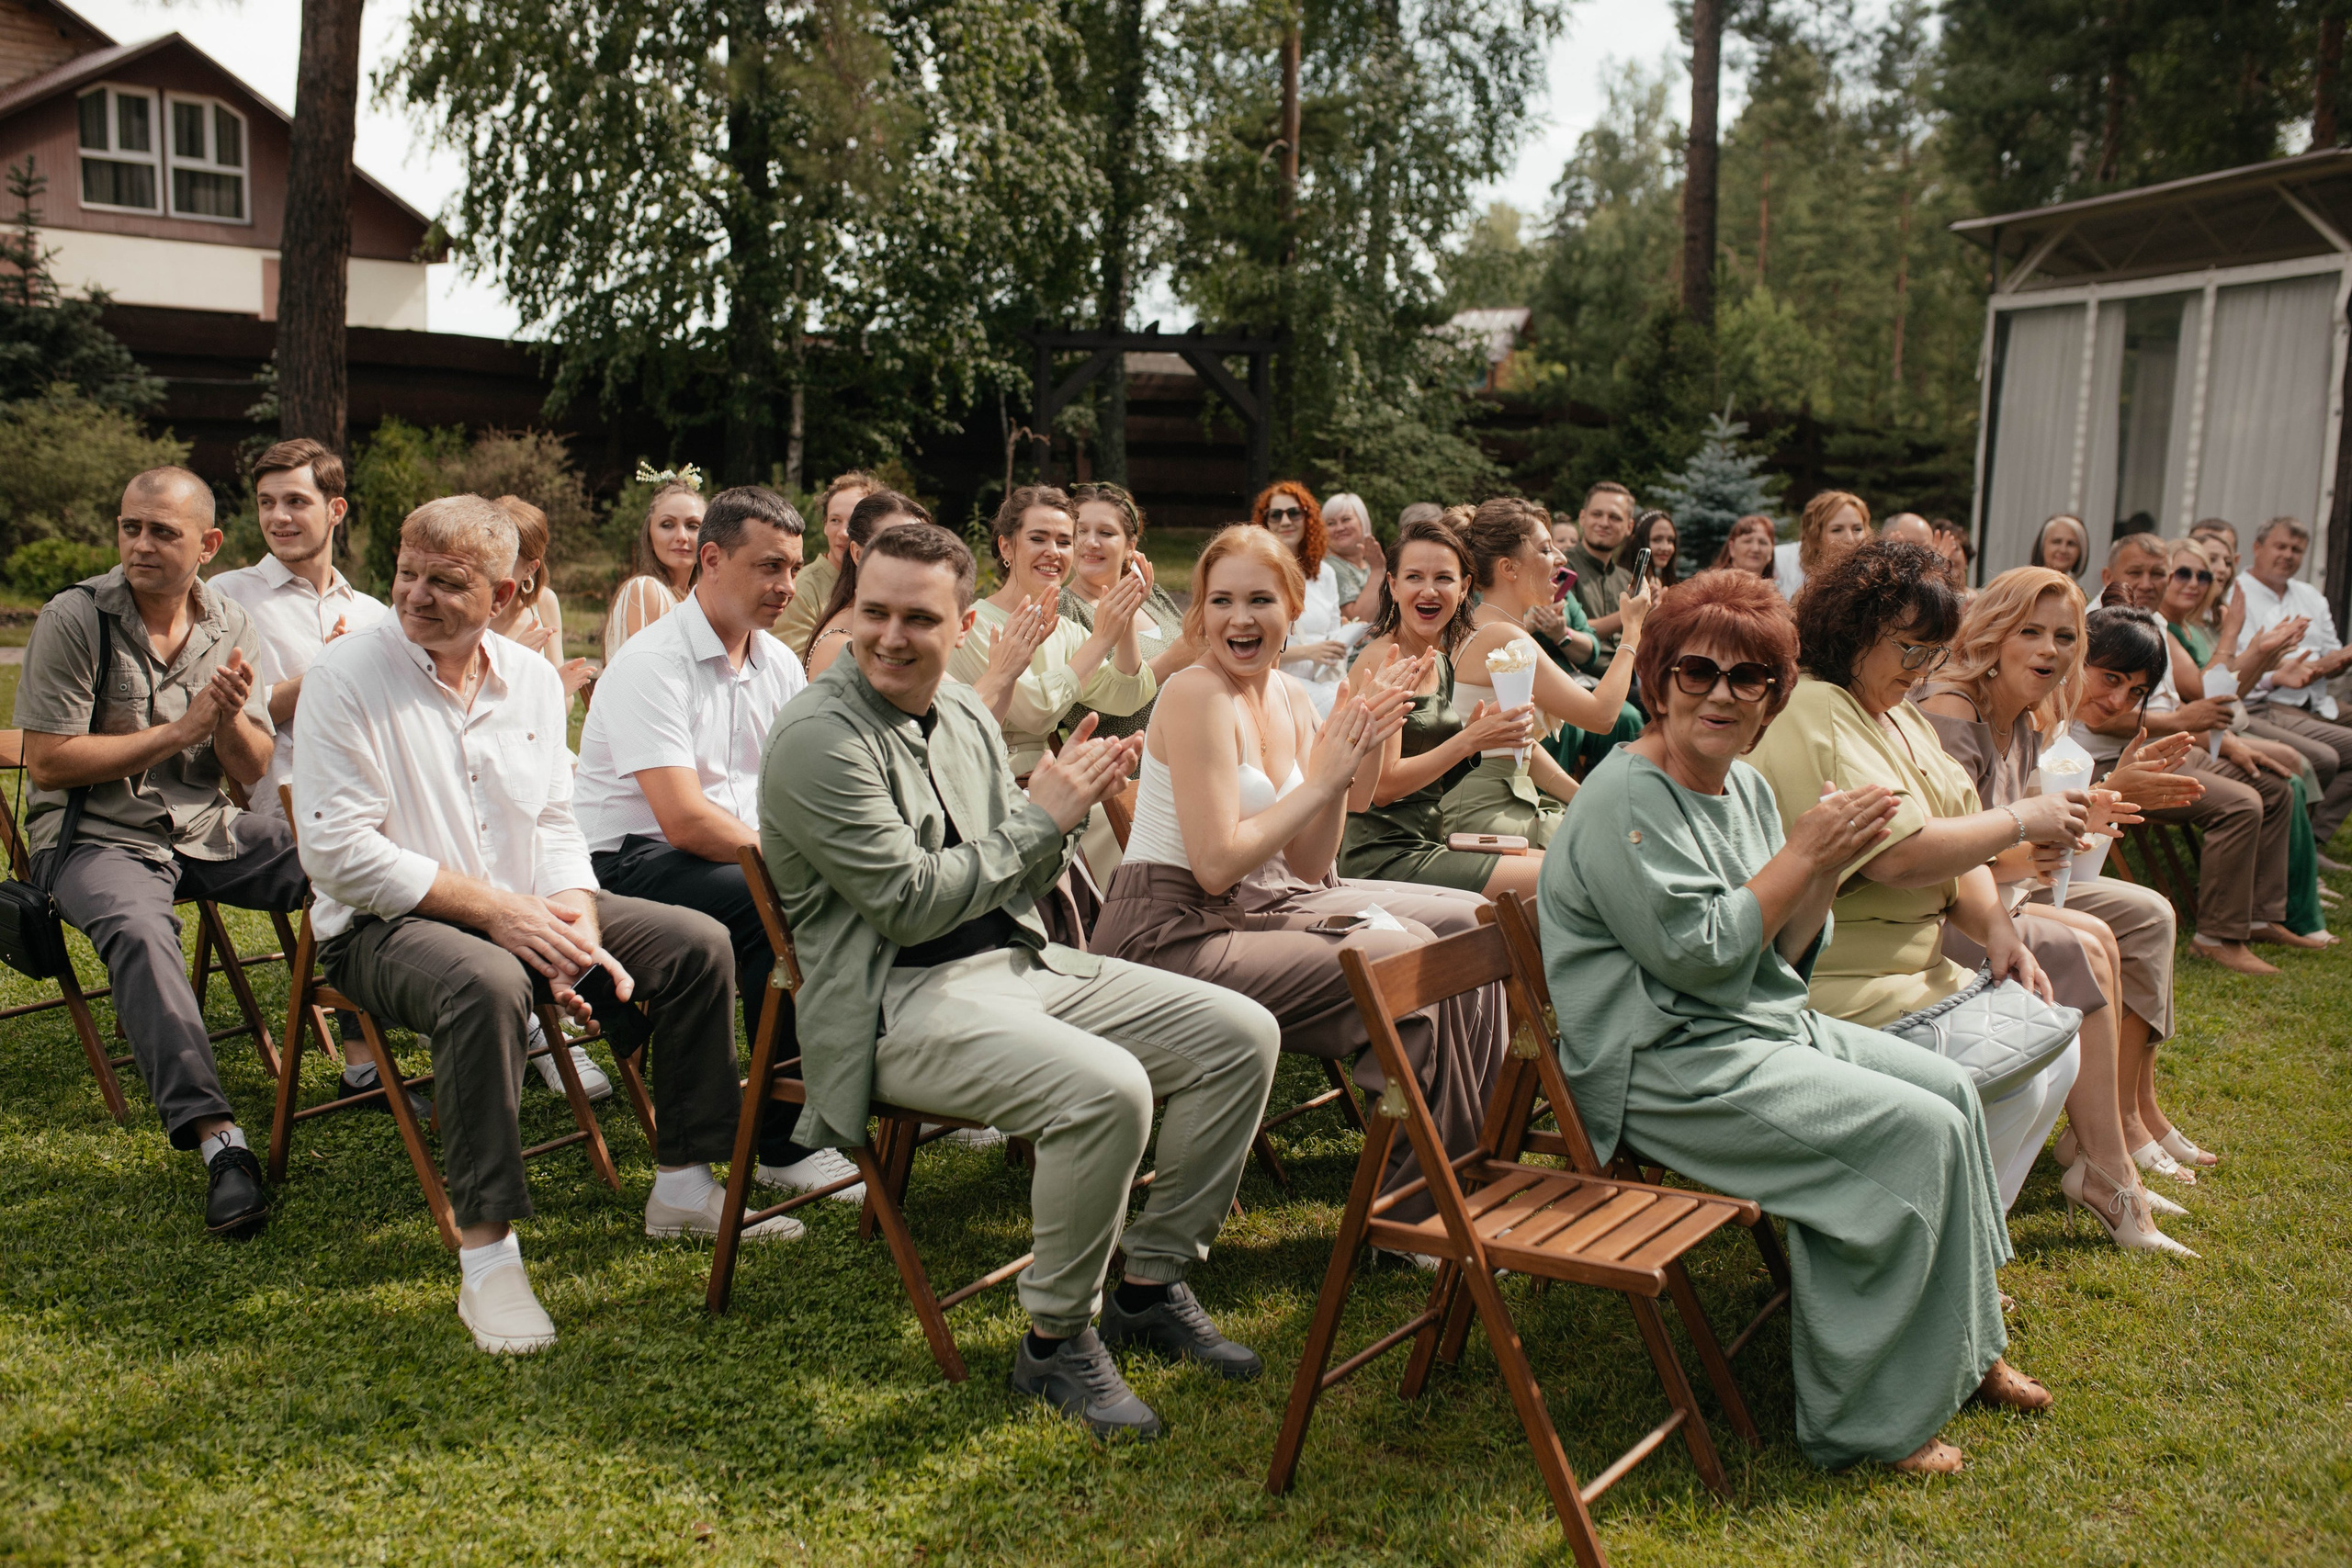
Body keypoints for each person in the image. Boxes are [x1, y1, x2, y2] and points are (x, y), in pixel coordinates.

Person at [761, 521, 1283, 1441]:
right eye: (871, 612)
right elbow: (912, 906)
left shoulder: (961, 711)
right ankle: (1055, 1342)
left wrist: (1056, 814)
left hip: (1017, 962)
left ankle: (1150, 1284)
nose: (887, 635)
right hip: (897, 1002)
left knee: (1239, 1033)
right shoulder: (817, 737)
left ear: (962, 625)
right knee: (1106, 1089)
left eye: (916, 618)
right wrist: (1044, 821)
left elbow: (1017, 870)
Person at [1540, 568, 2040, 1476]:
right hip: (1660, 1062)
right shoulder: (1623, 801)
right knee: (1910, 1135)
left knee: (1950, 1098)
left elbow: (1782, 948)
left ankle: (1962, 1352)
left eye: (1749, 679)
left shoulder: (1742, 787)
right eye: (1697, 672)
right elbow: (1697, 954)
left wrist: (1815, 872)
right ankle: (1864, 1423)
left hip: (1745, 1027)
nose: (1721, 696)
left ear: (1773, 694)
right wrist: (1804, 858)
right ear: (1656, 681)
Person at [295, 495, 791, 1356]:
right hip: (382, 922)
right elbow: (338, 854)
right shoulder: (346, 676)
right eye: (406, 573)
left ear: (506, 591)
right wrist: (498, 911)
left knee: (698, 942)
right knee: (484, 981)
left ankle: (683, 1183)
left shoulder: (526, 677)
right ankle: (488, 1257)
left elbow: (558, 819)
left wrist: (580, 914)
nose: (414, 596)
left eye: (445, 583)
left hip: (523, 903)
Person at [1091, 524, 1510, 1224]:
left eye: (1260, 599)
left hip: (1267, 900)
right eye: (1221, 601)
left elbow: (1312, 867)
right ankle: (1412, 1213)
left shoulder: (1288, 695)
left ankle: (1471, 1162)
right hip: (1169, 931)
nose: (1240, 618)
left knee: (1470, 921)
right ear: (1200, 612)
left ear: (1292, 606)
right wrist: (1322, 784)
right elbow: (1217, 862)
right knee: (1401, 952)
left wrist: (1354, 759)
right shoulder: (1196, 695)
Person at [1746, 540, 2081, 1209]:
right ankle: (1927, 1242)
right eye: (1911, 648)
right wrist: (2022, 817)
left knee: (2053, 1054)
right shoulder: (1816, 707)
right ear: (1856, 630)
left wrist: (1997, 930)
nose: (1924, 667)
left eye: (1935, 652)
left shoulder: (1897, 712)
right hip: (1842, 986)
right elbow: (1901, 855)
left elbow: (1964, 849)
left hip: (1920, 974)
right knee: (2014, 1077)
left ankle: (1959, 1243)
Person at [13, 466, 304, 1238]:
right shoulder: (75, 618)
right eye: (130, 527)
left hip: (206, 824)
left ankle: (370, 1048)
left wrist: (231, 721)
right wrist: (179, 732)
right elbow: (47, 761)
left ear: (207, 544)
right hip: (94, 838)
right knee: (142, 934)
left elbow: (249, 769)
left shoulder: (232, 625)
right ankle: (220, 1143)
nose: (140, 544)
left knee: (334, 854)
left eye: (162, 532)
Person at [573, 485, 859, 1201]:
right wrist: (796, 862)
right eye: (769, 567)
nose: (788, 587)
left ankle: (812, 1107)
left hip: (727, 851)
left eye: (793, 569)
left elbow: (794, 784)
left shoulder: (778, 663)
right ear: (711, 559)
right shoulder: (652, 663)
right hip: (625, 861)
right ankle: (781, 1142)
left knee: (821, 896)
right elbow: (683, 819)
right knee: (782, 902)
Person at [1917, 568, 2198, 1251]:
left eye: (2065, 636)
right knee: (2084, 945)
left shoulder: (2034, 712)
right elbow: (1942, 853)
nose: (2049, 649)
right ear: (1994, 633)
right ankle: (2109, 1168)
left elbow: (2038, 835)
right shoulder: (1953, 712)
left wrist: (2093, 807)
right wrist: (2029, 849)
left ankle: (2112, 1146)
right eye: (2030, 631)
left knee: (2107, 931)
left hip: (2005, 897)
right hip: (1939, 913)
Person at [211, 438, 413, 1116]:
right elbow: (235, 714)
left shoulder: (376, 610)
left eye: (296, 501)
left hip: (374, 780)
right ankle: (362, 1067)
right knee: (368, 851)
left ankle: (522, 1012)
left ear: (336, 510)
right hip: (281, 789)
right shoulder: (228, 596)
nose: (279, 516)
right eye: (267, 503)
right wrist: (329, 671)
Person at [2087, 535, 2307, 971]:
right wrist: (2189, 721)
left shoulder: (2154, 623)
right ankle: (2216, 937)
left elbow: (2196, 699)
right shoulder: (2101, 625)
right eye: (2136, 573)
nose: (2149, 583)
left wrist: (2224, 737)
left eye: (2158, 573)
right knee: (2243, 804)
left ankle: (2258, 914)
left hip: (2167, 743)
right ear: (2109, 576)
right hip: (2116, 758)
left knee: (2277, 783)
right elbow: (2099, 717)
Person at [2066, 609, 2233, 1175]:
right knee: (2146, 917)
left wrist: (2114, 793)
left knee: (2151, 913)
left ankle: (2140, 1106)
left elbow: (2074, 854)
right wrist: (2110, 791)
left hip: (2047, 879)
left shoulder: (2058, 725)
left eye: (2135, 690)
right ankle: (2124, 1119)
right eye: (2109, 678)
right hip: (2002, 892)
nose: (2117, 701)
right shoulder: (2031, 716)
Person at [1335, 515, 1574, 898]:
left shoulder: (1439, 661)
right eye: (1414, 578)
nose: (1429, 591)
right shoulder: (1385, 659)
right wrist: (1468, 742)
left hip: (1432, 841)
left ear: (1464, 588)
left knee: (1570, 863)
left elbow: (1433, 783)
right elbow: (1383, 788)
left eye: (1443, 579)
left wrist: (1481, 737)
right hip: (1383, 856)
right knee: (1561, 880)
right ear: (1393, 586)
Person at [1448, 498, 1653, 852]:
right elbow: (1602, 716)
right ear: (1509, 568)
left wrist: (1587, 798)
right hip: (1487, 812)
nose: (1561, 558)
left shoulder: (1484, 625)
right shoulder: (1504, 637)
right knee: (1632, 849)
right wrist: (1632, 628)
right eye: (1546, 549)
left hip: (1499, 801)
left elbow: (1519, 748)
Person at [950, 485, 1154, 777]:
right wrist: (1100, 641)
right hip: (988, 783)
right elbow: (1035, 713)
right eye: (1038, 539)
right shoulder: (975, 623)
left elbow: (1126, 697)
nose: (1053, 552)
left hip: (1043, 786)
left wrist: (1126, 616)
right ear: (1006, 546)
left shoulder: (1065, 631)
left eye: (1064, 541)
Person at [2227, 516, 2352, 852]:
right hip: (2268, 700)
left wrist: (2337, 661)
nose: (2288, 555)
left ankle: (2312, 839)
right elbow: (2238, 663)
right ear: (2257, 548)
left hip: (2318, 698)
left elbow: (2332, 661)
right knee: (2335, 752)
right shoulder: (2237, 593)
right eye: (2280, 546)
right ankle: (2304, 846)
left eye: (2297, 550)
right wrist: (2312, 666)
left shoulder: (2310, 595)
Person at [1057, 481, 1196, 740]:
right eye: (1080, 531)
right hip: (1127, 763)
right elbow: (1077, 709)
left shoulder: (1152, 596)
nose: (1091, 542)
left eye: (1106, 533)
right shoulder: (1065, 608)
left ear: (1130, 546)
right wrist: (1171, 662)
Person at [1251, 481, 1363, 716]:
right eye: (1275, 515)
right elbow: (1250, 642)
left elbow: (1332, 631)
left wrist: (1345, 637)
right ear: (1264, 522)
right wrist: (1309, 652)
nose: (1285, 521)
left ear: (1308, 518)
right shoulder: (1257, 573)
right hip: (1278, 683)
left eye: (1293, 513)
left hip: (1327, 680)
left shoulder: (1325, 574)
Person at [801, 488, 929, 679]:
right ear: (858, 554)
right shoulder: (839, 647)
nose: (912, 561)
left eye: (922, 547)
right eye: (896, 548)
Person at [488, 496, 596, 698]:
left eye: (505, 559)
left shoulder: (545, 602)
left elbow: (564, 704)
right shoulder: (470, 605)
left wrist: (559, 687)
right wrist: (514, 659)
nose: (491, 568)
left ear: (530, 568)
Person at [775, 469, 877, 660]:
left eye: (855, 521)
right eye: (835, 520)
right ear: (824, 525)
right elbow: (795, 667)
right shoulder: (802, 588)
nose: (844, 533)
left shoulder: (882, 585)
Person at [603, 474, 706, 660]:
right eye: (667, 525)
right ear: (649, 537)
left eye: (693, 526)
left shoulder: (696, 597)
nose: (682, 536)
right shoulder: (646, 590)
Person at [1561, 480, 1637, 660]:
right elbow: (1567, 630)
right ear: (1582, 518)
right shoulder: (1561, 567)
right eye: (1597, 514)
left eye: (1615, 517)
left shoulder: (1626, 579)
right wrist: (1630, 614)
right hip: (1580, 681)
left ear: (1629, 527)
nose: (1604, 523)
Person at [1772, 491, 1871, 601]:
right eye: (1837, 530)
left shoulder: (1878, 582)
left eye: (1857, 529)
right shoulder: (1807, 596)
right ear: (1816, 538)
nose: (1850, 539)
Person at [1320, 491, 1386, 623]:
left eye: (1346, 519)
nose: (1339, 528)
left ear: (1362, 522)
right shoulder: (1331, 566)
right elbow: (1357, 622)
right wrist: (1378, 569)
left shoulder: (1368, 565)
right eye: (1331, 523)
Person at [1713, 513, 1778, 578]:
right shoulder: (1714, 585)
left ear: (1771, 551)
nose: (1756, 549)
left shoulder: (1777, 587)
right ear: (1732, 548)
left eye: (1763, 542)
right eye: (1747, 541)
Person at [2029, 513, 2089, 580]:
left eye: (2071, 544)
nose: (2063, 550)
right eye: (2056, 542)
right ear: (2042, 545)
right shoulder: (2024, 587)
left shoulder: (2076, 590)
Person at [1636, 508, 1681, 587]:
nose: (1665, 548)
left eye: (1670, 540)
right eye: (1657, 540)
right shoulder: (1622, 584)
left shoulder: (1673, 588)